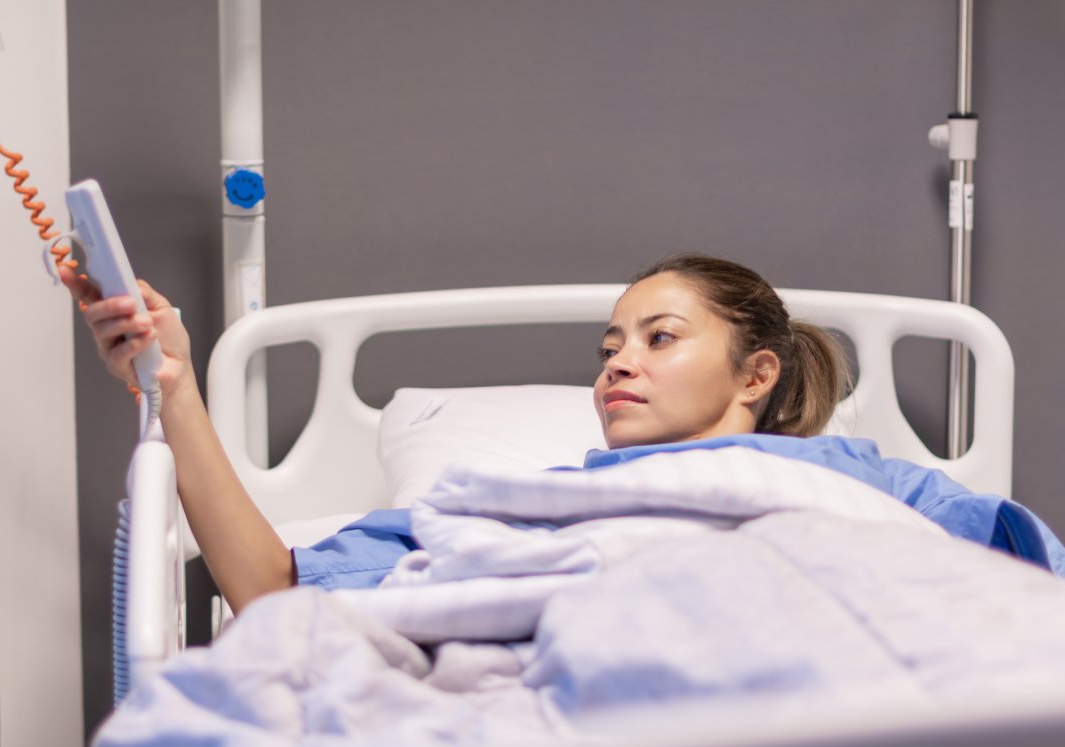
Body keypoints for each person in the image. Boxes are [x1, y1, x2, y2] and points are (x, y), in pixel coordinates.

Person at [62, 253, 1065, 612]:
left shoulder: (865, 479)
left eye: (660, 337)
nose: (618, 361)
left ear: (756, 372)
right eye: (609, 345)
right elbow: (270, 588)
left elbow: (1014, 589)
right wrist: (175, 387)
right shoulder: (531, 505)